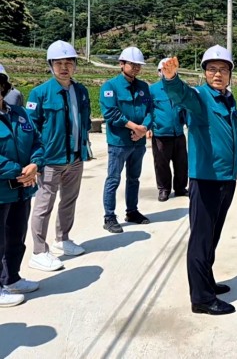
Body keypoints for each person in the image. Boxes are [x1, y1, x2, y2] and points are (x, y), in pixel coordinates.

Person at [161, 45, 237, 316]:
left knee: (212, 236)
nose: (218, 74)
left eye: (223, 69)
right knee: (201, 239)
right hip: (206, 179)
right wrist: (170, 79)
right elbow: (181, 94)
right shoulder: (200, 97)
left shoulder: (228, 98)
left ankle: (207, 282)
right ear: (204, 73)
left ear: (230, 74)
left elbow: (232, 137)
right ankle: (201, 298)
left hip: (226, 178)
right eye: (212, 69)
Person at [26, 41, 92, 271]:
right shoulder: (40, 93)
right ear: (51, 65)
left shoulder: (81, 91)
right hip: (50, 160)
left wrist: (85, 148)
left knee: (69, 201)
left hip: (75, 158)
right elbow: (31, 129)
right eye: (59, 63)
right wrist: (36, 159)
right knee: (44, 205)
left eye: (69, 63)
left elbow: (84, 121)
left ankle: (62, 239)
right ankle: (39, 251)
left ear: (74, 65)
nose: (64, 67)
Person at [0, 66, 44, 307]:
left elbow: (37, 140)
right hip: (3, 189)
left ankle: (11, 278)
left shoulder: (18, 113)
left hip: (22, 190)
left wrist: (35, 163)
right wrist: (20, 171)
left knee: (16, 237)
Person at [99, 46, 153, 234]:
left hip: (138, 142)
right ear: (121, 64)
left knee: (134, 178)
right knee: (113, 179)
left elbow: (149, 111)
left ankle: (132, 211)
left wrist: (143, 128)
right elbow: (111, 113)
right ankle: (109, 216)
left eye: (139, 65)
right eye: (132, 64)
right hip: (119, 142)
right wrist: (135, 127)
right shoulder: (110, 87)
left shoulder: (143, 87)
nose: (136, 67)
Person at [149, 58, 188, 202]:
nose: (165, 72)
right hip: (160, 133)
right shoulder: (152, 90)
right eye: (162, 70)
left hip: (178, 132)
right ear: (159, 72)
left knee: (182, 163)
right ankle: (164, 189)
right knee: (161, 163)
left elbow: (186, 109)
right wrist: (149, 127)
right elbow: (147, 110)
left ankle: (180, 188)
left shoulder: (181, 87)